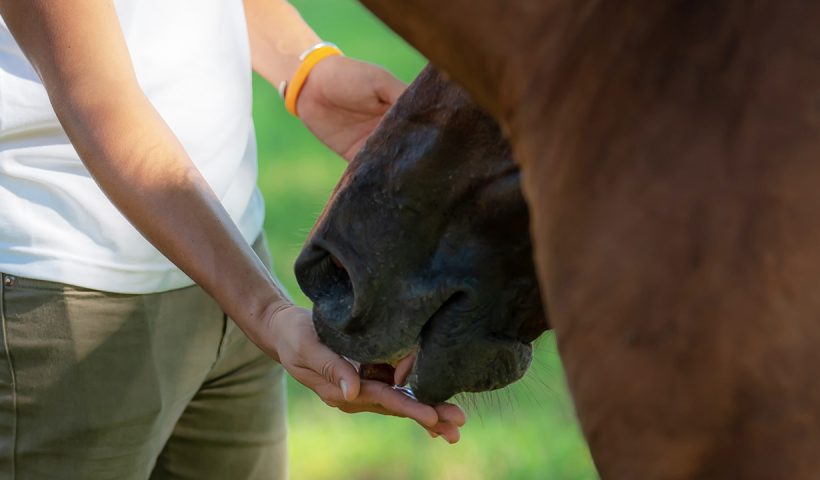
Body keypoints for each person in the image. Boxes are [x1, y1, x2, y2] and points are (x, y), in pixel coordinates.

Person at [0, 0, 465, 478]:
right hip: (67, 295)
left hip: (236, 267)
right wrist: (266, 311)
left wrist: (306, 70)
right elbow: (95, 97)